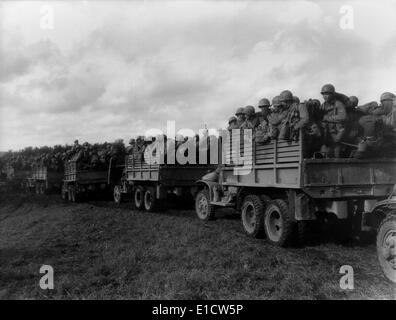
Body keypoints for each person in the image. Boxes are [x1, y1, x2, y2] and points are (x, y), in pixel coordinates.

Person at [319, 84, 348, 158]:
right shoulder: (323, 105)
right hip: (327, 133)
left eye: (327, 94)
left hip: (337, 133)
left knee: (336, 154)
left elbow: (343, 117)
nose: (325, 96)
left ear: (332, 94)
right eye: (323, 94)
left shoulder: (338, 103)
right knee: (324, 154)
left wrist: (326, 118)